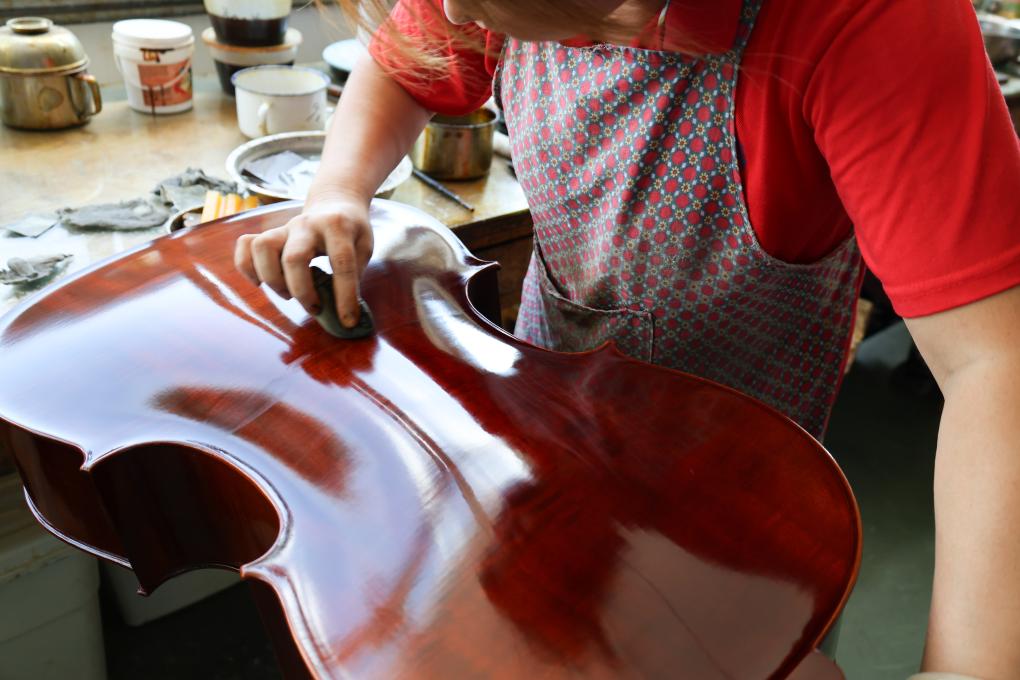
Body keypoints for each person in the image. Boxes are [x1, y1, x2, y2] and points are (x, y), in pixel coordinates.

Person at [234, 0, 1020, 675]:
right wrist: (339, 188)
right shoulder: (467, 5)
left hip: (742, 502)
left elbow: (996, 361)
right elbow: (408, 64)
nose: (451, 13)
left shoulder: (871, 18)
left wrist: (967, 668)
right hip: (547, 433)